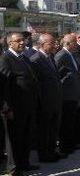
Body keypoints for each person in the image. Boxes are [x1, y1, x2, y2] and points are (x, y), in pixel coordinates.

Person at [0, 32, 39, 176]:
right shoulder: (6, 59)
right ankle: (13, 167)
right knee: (14, 137)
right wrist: (7, 106)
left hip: (28, 104)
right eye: (18, 41)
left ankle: (24, 163)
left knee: (26, 135)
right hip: (15, 106)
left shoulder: (23, 58)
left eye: (23, 40)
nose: (22, 43)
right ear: (10, 43)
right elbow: (4, 86)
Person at [30, 33, 63, 163]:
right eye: (51, 43)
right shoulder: (35, 60)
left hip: (54, 100)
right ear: (42, 44)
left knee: (53, 128)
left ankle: (51, 151)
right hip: (45, 102)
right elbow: (36, 84)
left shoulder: (50, 57)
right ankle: (44, 154)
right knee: (45, 129)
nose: (55, 45)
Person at [55, 33, 80, 155]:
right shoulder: (62, 55)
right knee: (66, 121)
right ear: (68, 43)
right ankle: (65, 146)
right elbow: (55, 72)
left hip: (73, 93)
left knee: (71, 120)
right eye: (74, 42)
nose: (76, 44)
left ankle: (71, 144)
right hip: (66, 94)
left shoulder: (71, 54)